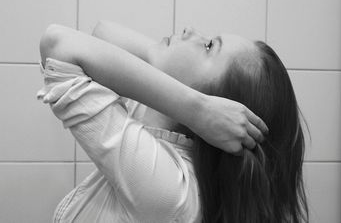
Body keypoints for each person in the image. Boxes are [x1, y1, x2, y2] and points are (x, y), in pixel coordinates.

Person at [37, 21, 308, 223]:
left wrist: (198, 107)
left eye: (209, 46)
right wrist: (196, 107)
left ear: (218, 100)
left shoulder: (172, 190)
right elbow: (102, 33)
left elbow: (59, 45)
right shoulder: (162, 115)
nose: (190, 30)